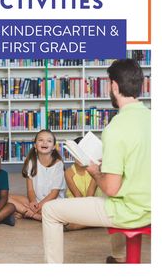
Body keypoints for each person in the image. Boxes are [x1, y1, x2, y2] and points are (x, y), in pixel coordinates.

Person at [42, 59, 151, 263]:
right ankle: (119, 257)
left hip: (130, 212)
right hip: (153, 205)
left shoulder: (115, 128)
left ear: (115, 86)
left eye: (109, 84)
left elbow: (111, 188)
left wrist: (94, 171)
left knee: (50, 211)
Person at [9, 129, 65, 221]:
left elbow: (54, 194)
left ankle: (25, 212)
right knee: (5, 197)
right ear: (35, 145)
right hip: (36, 201)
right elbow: (30, 190)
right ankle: (35, 215)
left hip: (53, 203)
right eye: (41, 140)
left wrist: (38, 207)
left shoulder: (58, 164)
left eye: (49, 141)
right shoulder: (31, 162)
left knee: (55, 213)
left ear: (54, 146)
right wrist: (33, 202)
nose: (44, 143)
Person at [64, 139, 99, 231]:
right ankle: (92, 222)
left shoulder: (94, 170)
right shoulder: (69, 172)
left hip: (92, 203)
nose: (80, 158)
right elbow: (77, 197)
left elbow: (90, 196)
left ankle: (78, 224)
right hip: (77, 203)